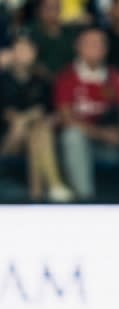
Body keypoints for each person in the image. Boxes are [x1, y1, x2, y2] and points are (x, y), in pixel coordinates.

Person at [55, 28, 119, 201]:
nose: (94, 48)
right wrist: (102, 134)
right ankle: (85, 197)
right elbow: (67, 118)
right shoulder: (67, 76)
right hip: (84, 141)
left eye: (99, 44)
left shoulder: (115, 76)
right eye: (89, 44)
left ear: (106, 49)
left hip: (113, 140)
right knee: (72, 136)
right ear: (78, 47)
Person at [0, 35, 72, 202]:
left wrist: (26, 119)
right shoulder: (3, 79)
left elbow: (48, 111)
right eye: (19, 49)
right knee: (27, 130)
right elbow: (6, 113)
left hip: (34, 134)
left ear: (35, 53)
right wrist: (21, 119)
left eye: (28, 50)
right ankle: (54, 185)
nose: (23, 54)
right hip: (7, 140)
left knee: (38, 133)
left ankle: (37, 193)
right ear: (11, 53)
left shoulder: (42, 80)